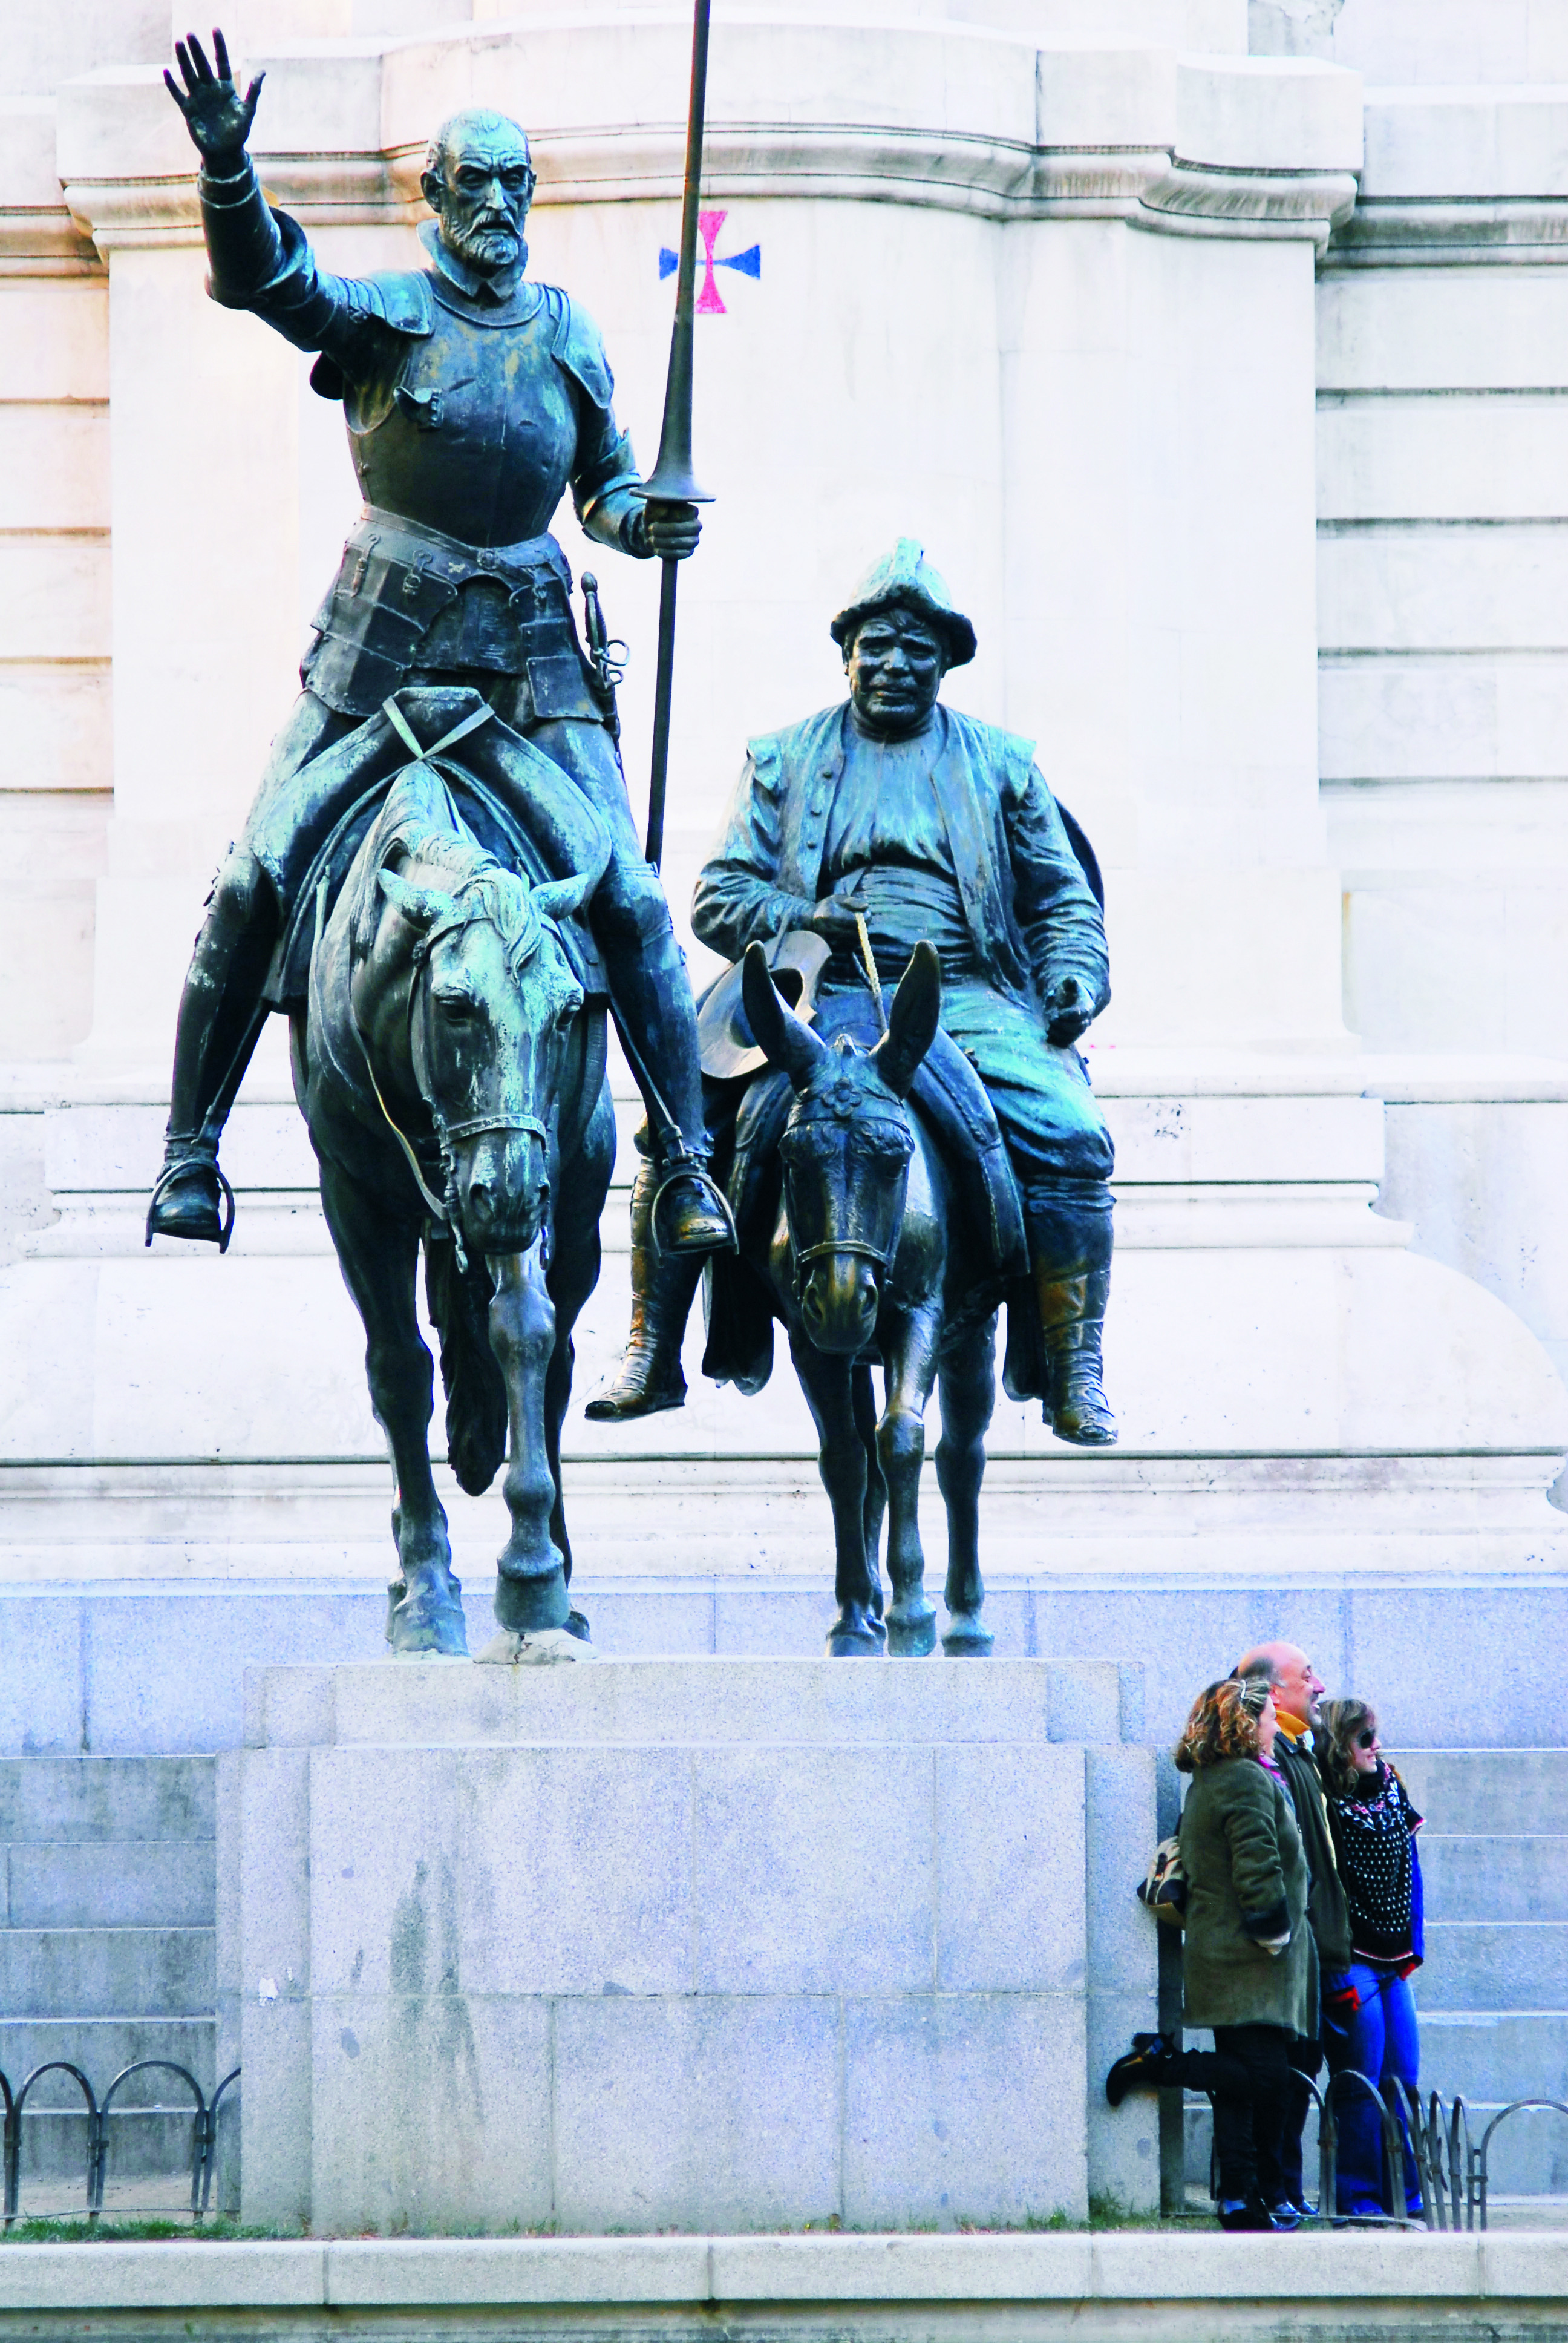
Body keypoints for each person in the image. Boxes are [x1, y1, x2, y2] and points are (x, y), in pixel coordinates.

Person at [146, 31, 731, 1259]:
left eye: (519, 186)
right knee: (254, 873)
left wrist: (646, 520)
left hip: (534, 670)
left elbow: (604, 491)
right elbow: (275, 284)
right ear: (438, 197)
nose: (503, 206)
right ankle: (191, 1151)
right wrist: (227, 176)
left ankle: (682, 1161)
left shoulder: (567, 333)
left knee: (625, 895)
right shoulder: (387, 316)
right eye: (479, 185)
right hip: (378, 659)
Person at [587, 538, 1120, 1438]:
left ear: (946, 661)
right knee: (680, 1125)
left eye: (918, 647)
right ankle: (654, 1347)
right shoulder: (783, 758)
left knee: (1071, 1136)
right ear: (847, 654)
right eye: (876, 645)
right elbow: (719, 895)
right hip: (811, 990)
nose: (894, 664)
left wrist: (1073, 976)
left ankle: (1073, 1362)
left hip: (967, 997)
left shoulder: (1004, 765)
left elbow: (1062, 900)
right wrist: (806, 912)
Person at [1104, 1677, 1316, 2232]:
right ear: (1248, 1723)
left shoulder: (1217, 1776)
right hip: (1247, 1959)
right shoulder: (1244, 1779)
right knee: (1267, 2080)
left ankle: (1242, 2199)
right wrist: (1274, 1932)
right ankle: (1160, 2064)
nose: (1278, 1722)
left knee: (1239, 2088)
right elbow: (1257, 1866)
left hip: (1232, 1958)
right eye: (1271, 1713)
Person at [1233, 1640, 1353, 2221]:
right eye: (1308, 1677)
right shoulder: (1263, 1758)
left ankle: (1287, 2190)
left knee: (1302, 2073)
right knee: (1279, 2079)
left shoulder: (1300, 1753)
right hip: (1288, 1952)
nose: (1320, 1686)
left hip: (1317, 1950)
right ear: (1274, 1692)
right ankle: (1271, 2191)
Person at [1318, 1697, 1426, 2218]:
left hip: (1394, 1954)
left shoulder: (1391, 1785)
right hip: (1354, 1955)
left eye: (1376, 1735)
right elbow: (1320, 1882)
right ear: (1341, 1746)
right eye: (1364, 1739)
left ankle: (1403, 2194)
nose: (1375, 1746)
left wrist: (1414, 1948)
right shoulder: (1324, 1799)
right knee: (1362, 2079)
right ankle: (1356, 2197)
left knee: (1402, 2075)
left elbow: (1413, 1869)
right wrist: (1334, 1965)